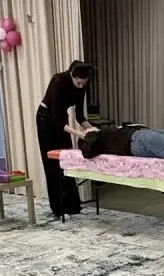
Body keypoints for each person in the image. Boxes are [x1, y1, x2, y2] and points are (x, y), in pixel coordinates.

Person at [37, 61, 94, 218]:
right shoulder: (58, 80)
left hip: (61, 118)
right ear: (72, 76)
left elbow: (80, 116)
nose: (81, 87)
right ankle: (58, 208)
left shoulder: (82, 86)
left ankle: (72, 205)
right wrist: (79, 134)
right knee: (52, 163)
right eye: (78, 83)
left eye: (83, 84)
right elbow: (55, 117)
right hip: (46, 119)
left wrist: (91, 129)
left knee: (67, 160)